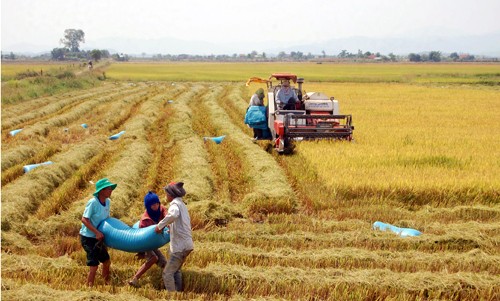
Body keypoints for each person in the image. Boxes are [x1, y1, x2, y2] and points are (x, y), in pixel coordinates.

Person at [155, 182, 194, 292]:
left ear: (171, 195)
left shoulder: (175, 204)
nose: (165, 196)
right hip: (187, 244)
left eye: (166, 194)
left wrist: (160, 226)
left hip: (179, 247)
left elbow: (173, 215)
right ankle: (178, 293)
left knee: (167, 274)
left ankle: (172, 297)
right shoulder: (182, 205)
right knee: (176, 271)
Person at [79, 178, 117, 286]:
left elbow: (106, 218)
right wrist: (96, 232)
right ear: (101, 191)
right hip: (88, 237)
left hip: (99, 237)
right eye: (109, 189)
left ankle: (106, 284)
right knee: (94, 265)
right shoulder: (93, 202)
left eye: (111, 189)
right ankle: (88, 288)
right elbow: (84, 219)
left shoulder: (107, 202)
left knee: (106, 261)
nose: (111, 191)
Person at [128, 191, 168, 287]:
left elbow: (167, 216)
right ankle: (135, 278)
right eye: (153, 205)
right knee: (154, 258)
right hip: (145, 242)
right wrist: (141, 251)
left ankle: (165, 283)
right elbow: (142, 238)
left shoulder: (161, 209)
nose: (156, 206)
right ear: (148, 206)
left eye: (157, 203)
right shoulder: (144, 221)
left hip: (154, 242)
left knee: (164, 263)